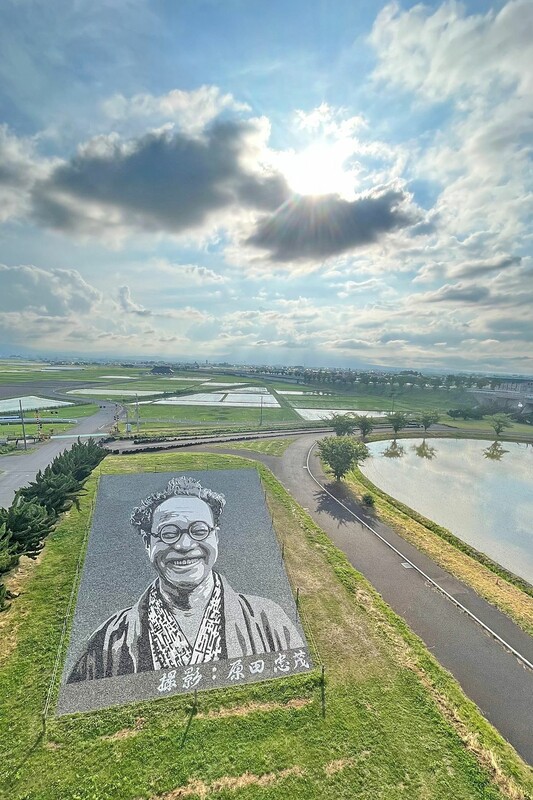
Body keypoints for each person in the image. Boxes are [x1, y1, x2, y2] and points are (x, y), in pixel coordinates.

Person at [68, 476, 303, 682]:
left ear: (216, 537)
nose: (184, 545)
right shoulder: (110, 639)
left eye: (199, 531)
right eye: (169, 533)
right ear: (148, 543)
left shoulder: (266, 620)